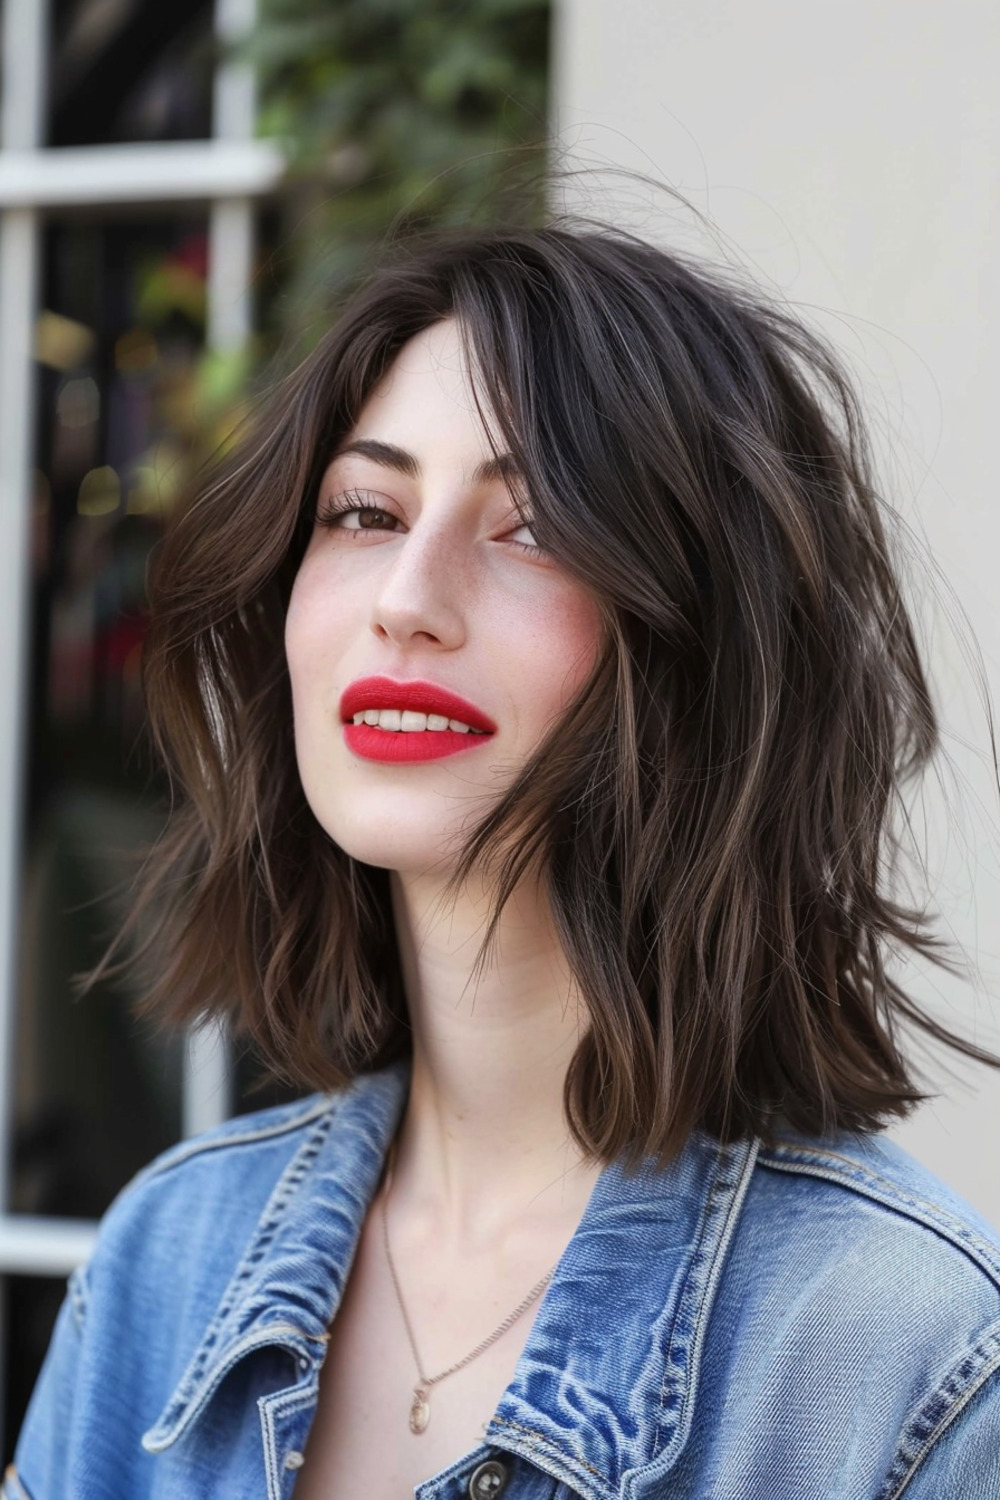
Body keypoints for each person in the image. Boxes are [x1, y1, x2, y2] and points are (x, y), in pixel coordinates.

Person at [6, 221, 1000, 1500]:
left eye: (529, 528)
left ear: (702, 646)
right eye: (365, 511)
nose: (405, 596)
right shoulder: (165, 1262)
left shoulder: (905, 1357)